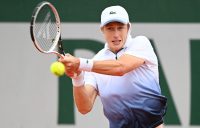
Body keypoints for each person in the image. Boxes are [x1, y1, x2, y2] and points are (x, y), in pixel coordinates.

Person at [59, 5, 167, 128]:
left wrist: (80, 63)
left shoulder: (141, 43)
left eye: (120, 28)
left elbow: (120, 67)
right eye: (110, 29)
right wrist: (77, 76)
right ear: (102, 30)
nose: (116, 34)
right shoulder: (96, 61)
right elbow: (84, 107)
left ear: (128, 27)